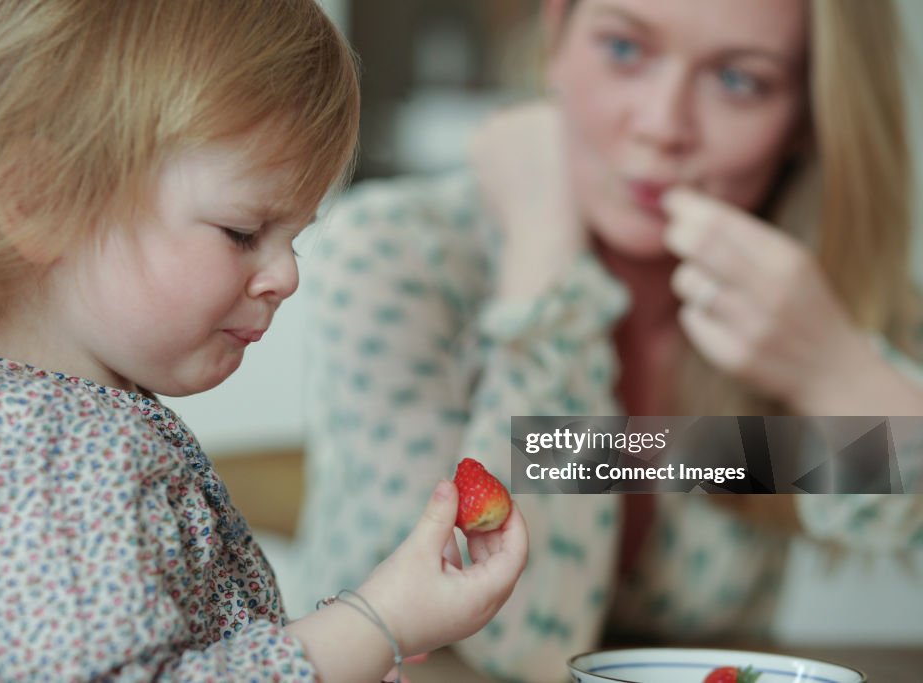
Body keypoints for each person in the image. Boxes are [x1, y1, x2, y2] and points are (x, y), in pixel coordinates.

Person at [292, 0, 923, 680]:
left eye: (739, 80)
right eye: (624, 49)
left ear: (806, 117)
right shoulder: (400, 256)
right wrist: (543, 276)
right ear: (556, 34)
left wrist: (834, 370)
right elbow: (517, 644)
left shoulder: (795, 310)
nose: (661, 125)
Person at [0, 1, 528, 681]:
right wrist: (375, 622)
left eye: (295, 236)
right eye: (241, 230)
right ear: (42, 201)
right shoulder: (49, 450)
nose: (287, 275)